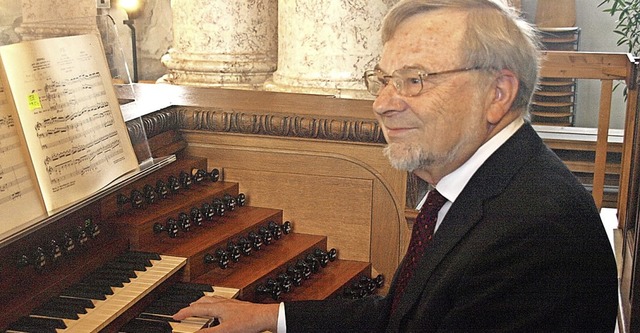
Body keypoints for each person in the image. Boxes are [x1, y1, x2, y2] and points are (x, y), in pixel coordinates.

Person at [173, 0, 619, 331]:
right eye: (385, 80)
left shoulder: (535, 236)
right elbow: (410, 313)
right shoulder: (486, 185)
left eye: (415, 80)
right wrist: (271, 317)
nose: (382, 104)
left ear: (498, 94)